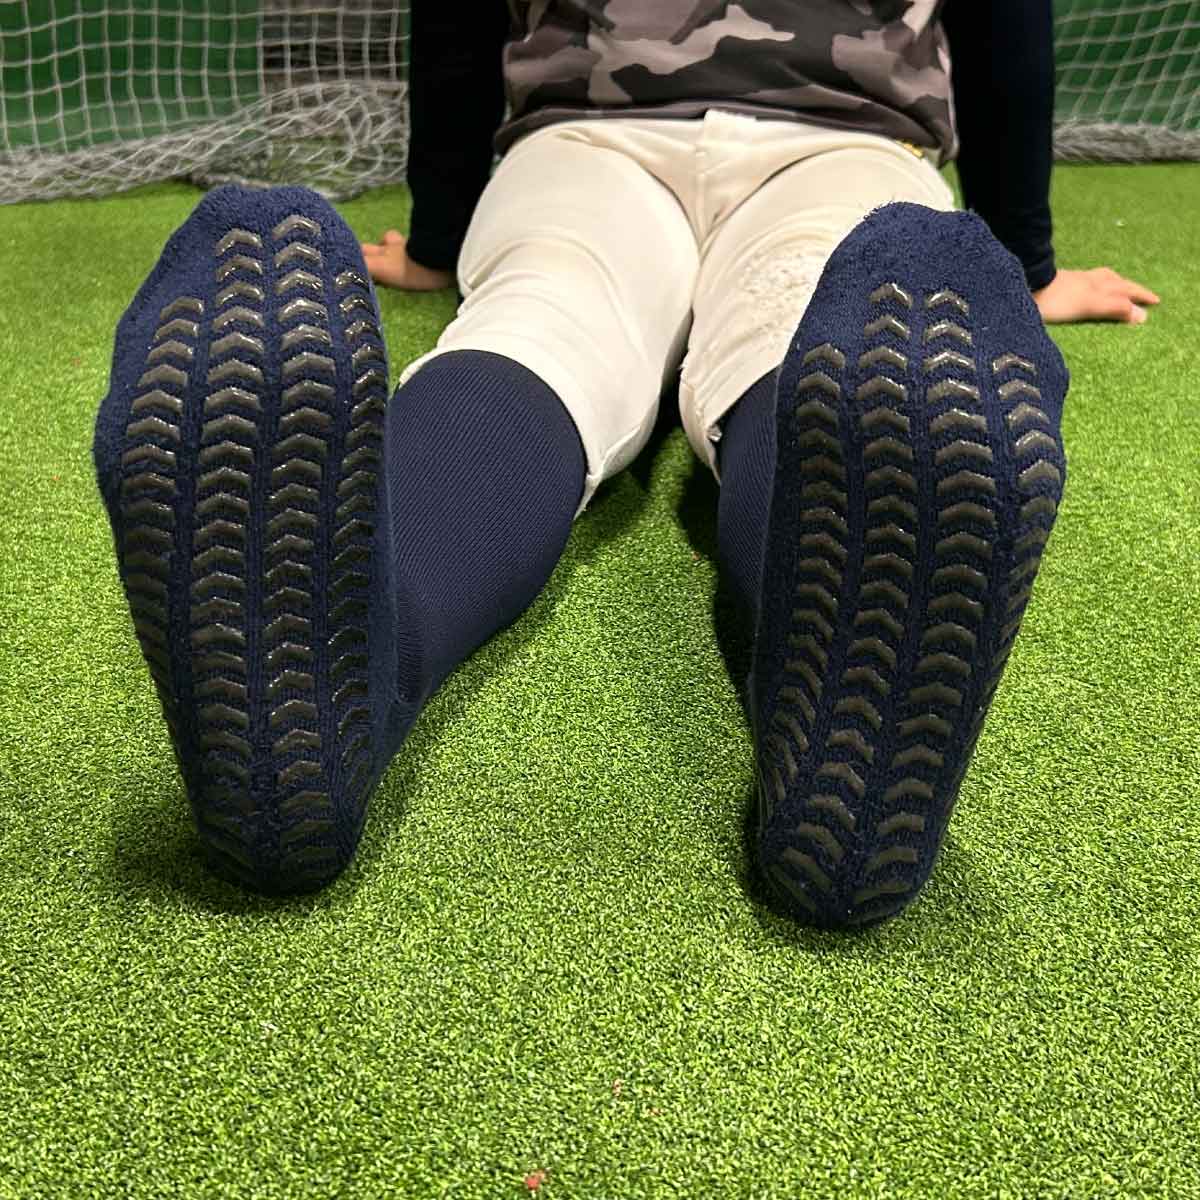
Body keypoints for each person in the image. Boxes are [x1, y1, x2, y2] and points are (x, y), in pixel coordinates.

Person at [94, 1, 1158, 927]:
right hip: (850, 135)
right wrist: (1026, 263)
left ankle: (348, 679)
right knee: (816, 341)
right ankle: (842, 755)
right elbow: (1002, 20)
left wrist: (437, 237)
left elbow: (461, 18)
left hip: (583, 133)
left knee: (539, 330)